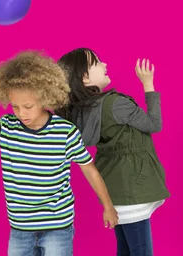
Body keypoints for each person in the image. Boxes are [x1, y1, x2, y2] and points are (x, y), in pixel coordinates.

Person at [0, 51, 118, 256]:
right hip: (20, 230)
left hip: (57, 227)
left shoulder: (65, 132)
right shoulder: (4, 127)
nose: (21, 113)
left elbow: (90, 170)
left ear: (44, 98)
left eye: (28, 106)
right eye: (15, 106)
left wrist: (108, 206)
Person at [57, 48, 170, 256]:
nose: (104, 64)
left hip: (113, 190)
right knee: (141, 251)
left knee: (126, 249)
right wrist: (148, 84)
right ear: (84, 77)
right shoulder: (115, 104)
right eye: (97, 62)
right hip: (134, 188)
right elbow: (154, 124)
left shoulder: (82, 111)